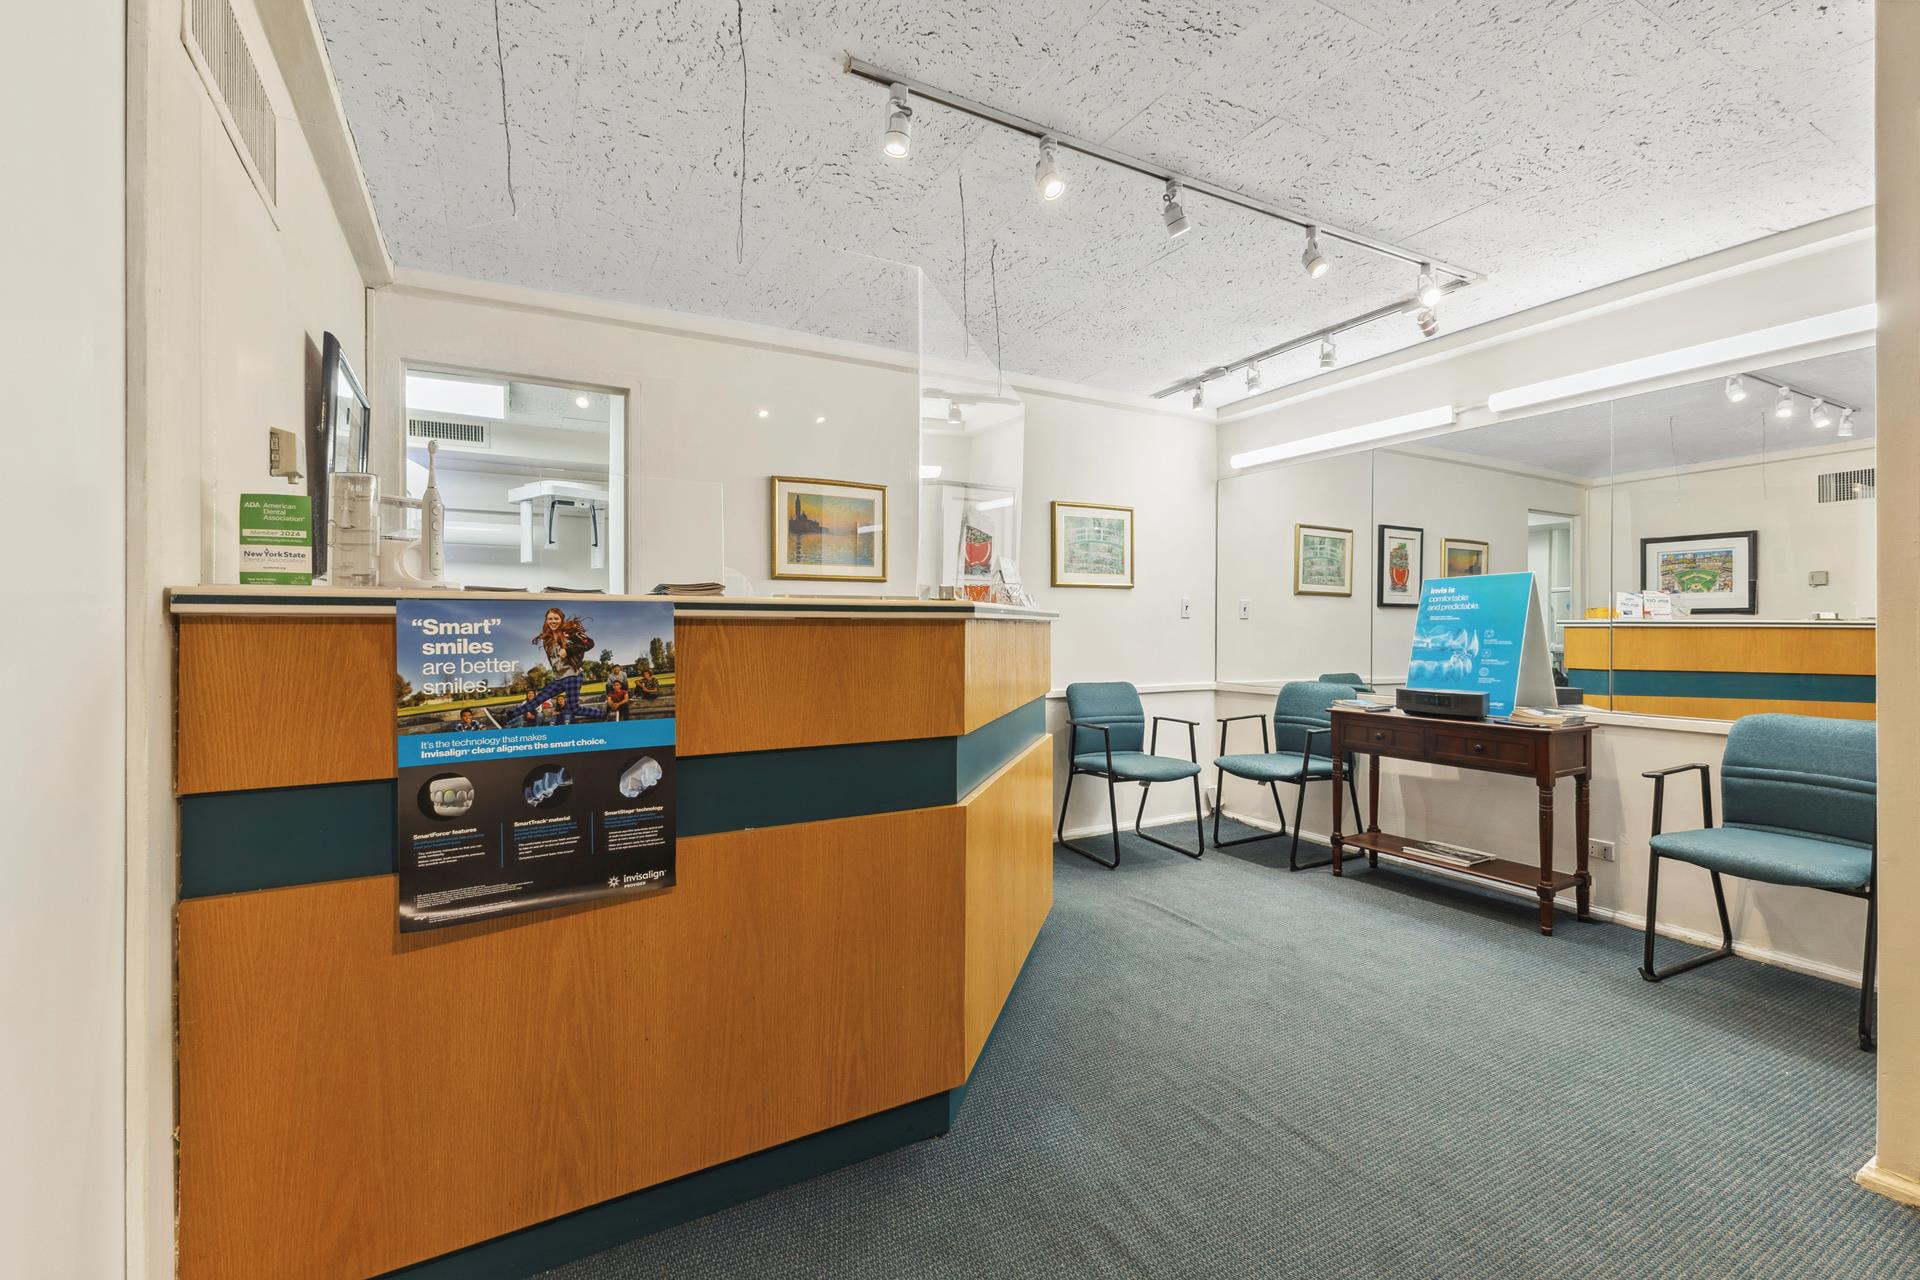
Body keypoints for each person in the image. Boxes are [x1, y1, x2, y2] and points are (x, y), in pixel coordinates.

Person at [508, 607, 607, 725]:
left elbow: (589, 643)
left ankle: (602, 714)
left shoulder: (569, 633)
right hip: (559, 678)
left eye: (556, 618)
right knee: (537, 699)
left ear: (561, 619)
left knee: (574, 708)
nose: (553, 621)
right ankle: (509, 715)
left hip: (572, 675)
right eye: (550, 619)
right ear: (546, 621)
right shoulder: (548, 640)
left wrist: (569, 651)